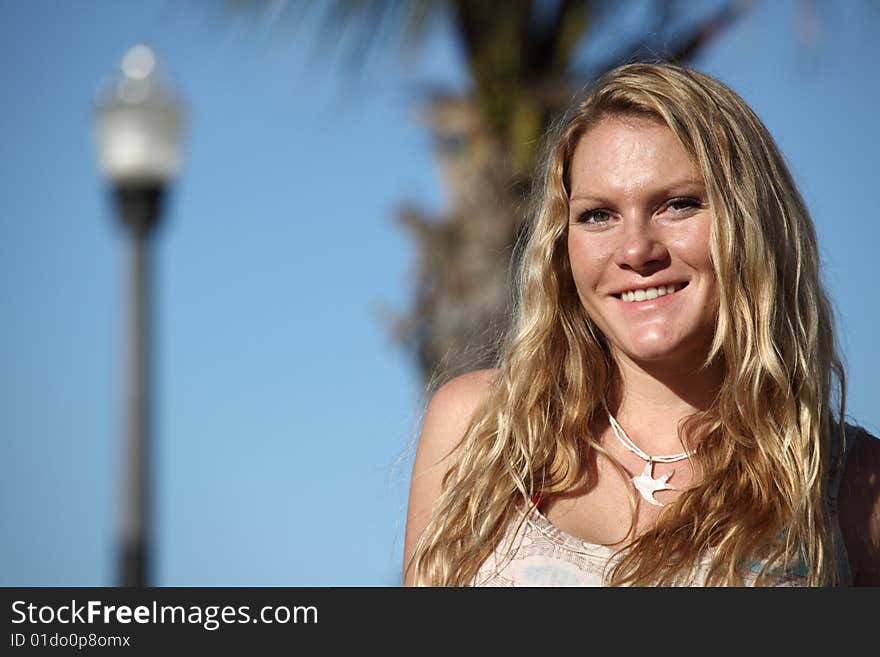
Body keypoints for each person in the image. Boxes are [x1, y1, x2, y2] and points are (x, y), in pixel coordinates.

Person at [401, 62, 880, 587]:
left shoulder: (852, 484)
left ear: (752, 224)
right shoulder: (481, 430)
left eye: (678, 205)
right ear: (561, 247)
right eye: (597, 215)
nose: (635, 250)